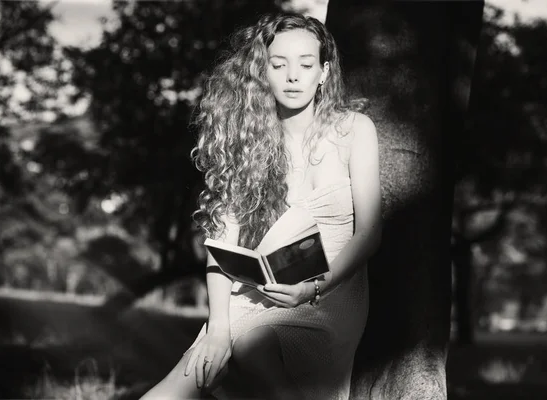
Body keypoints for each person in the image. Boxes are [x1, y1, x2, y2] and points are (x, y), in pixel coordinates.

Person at [141, 12, 382, 400]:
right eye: (279, 64)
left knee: (252, 350)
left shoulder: (354, 129)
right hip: (258, 295)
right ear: (262, 73)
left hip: (330, 295)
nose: (293, 76)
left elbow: (370, 233)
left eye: (306, 64)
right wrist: (218, 328)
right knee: (177, 386)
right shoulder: (248, 142)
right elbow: (221, 244)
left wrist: (315, 287)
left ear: (323, 72)